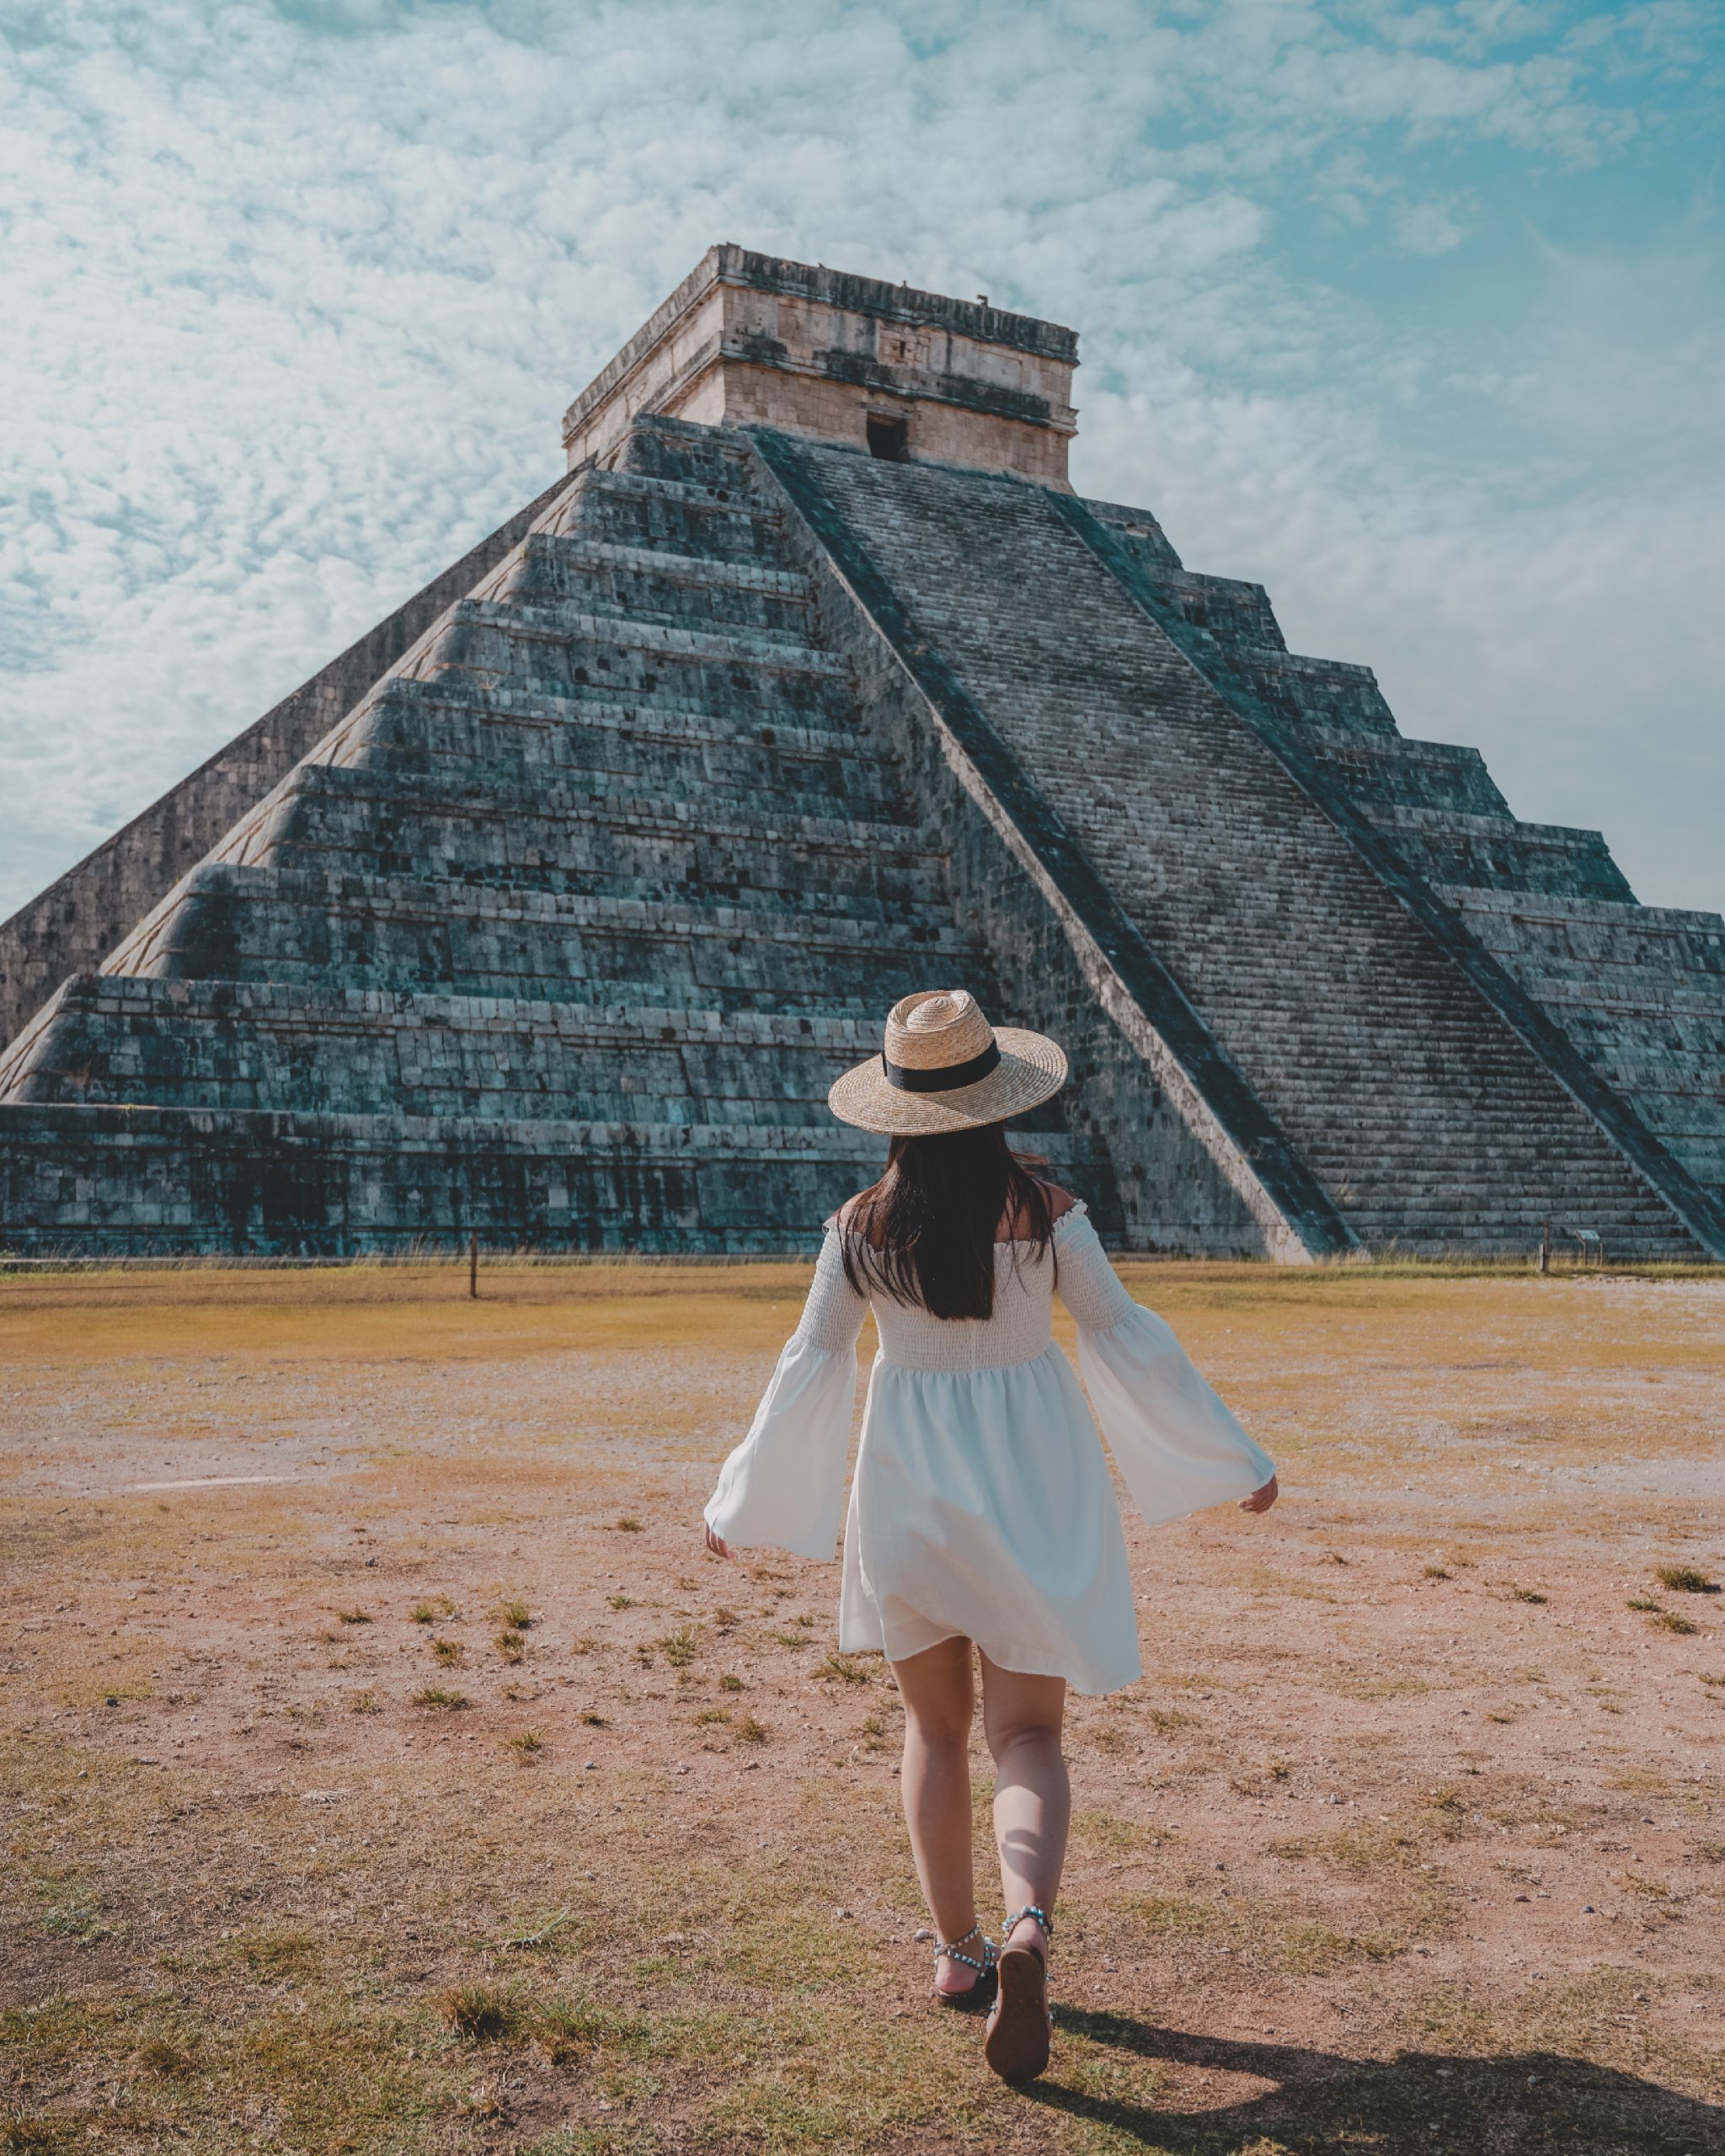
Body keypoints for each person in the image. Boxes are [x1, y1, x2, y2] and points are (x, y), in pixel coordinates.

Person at [702, 990, 1278, 2084]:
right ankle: (1028, 1930)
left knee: (934, 1732)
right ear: (996, 1102)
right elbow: (1123, 1339)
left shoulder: (859, 1231)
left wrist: (738, 1499)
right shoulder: (1051, 1211)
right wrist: (1232, 1456)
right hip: (1035, 1488)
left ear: (899, 1113)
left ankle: (961, 1956)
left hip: (909, 1490)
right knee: (1027, 1740)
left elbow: (809, 1367)